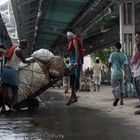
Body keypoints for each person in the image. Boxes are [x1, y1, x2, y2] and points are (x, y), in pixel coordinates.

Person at [1, 40, 33, 112]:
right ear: (22, 45)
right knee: (15, 89)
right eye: (26, 46)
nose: (26, 47)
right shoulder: (19, 51)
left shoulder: (13, 48)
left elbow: (6, 59)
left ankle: (3, 107)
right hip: (12, 71)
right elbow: (24, 61)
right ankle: (12, 107)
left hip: (6, 69)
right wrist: (31, 61)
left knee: (4, 89)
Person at [66, 31, 84, 105]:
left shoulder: (74, 41)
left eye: (68, 37)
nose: (67, 38)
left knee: (74, 80)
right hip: (72, 63)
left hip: (76, 63)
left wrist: (76, 62)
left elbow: (77, 52)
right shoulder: (71, 42)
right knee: (72, 80)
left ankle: (71, 98)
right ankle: (74, 97)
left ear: (71, 36)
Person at [108, 42, 128, 106]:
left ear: (115, 47)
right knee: (121, 87)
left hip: (114, 73)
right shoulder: (124, 55)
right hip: (121, 73)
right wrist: (126, 74)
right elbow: (125, 65)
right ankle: (122, 101)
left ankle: (116, 97)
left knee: (113, 88)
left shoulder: (112, 54)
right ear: (120, 47)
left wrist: (108, 69)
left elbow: (110, 63)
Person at [130, 32, 140, 114]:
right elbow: (133, 60)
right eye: (136, 37)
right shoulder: (136, 47)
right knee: (137, 90)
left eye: (138, 37)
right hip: (136, 71)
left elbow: (135, 59)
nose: (136, 39)